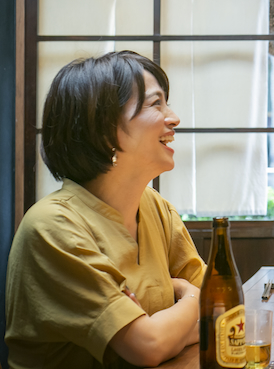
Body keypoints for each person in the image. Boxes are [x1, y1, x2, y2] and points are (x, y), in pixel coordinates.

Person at [5, 51, 206, 368]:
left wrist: (173, 324)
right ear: (104, 129)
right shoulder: (53, 227)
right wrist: (191, 296)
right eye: (156, 104)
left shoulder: (154, 207)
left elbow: (222, 308)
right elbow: (149, 346)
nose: (174, 117)